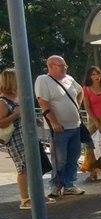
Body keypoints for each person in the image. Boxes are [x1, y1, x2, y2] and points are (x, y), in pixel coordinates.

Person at [0, 68, 55, 210]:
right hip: (17, 139)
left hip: (29, 136)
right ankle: (24, 199)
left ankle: (38, 195)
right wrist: (15, 115)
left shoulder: (17, 98)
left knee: (35, 167)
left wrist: (35, 120)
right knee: (23, 168)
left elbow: (23, 115)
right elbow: (1, 122)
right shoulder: (3, 101)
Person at [35, 55, 85, 198]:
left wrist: (77, 105)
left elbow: (80, 91)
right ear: (50, 66)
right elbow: (43, 102)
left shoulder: (69, 79)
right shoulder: (43, 80)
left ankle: (69, 184)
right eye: (61, 66)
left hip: (75, 126)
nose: (64, 69)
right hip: (59, 128)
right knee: (59, 159)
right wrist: (54, 122)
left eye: (65, 66)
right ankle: (56, 186)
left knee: (73, 157)